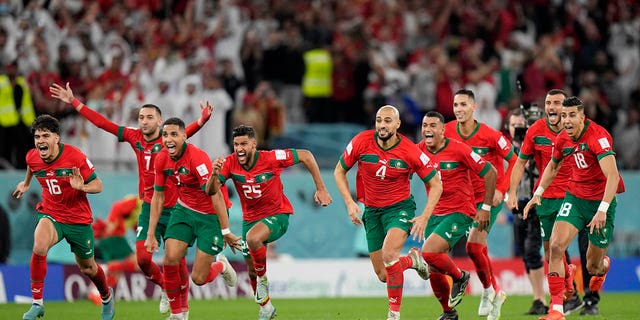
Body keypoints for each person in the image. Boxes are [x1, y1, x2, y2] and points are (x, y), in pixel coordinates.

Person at [49, 82, 212, 314]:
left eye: (149, 117)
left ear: (159, 121)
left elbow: (185, 134)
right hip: (149, 206)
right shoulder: (134, 137)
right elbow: (102, 123)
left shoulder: (168, 141)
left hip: (176, 208)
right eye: (141, 117)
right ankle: (167, 288)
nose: (143, 121)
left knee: (174, 260)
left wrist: (202, 121)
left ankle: (181, 311)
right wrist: (74, 102)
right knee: (144, 260)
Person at [207, 124, 333, 320]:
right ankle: (266, 308)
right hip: (251, 220)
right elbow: (211, 191)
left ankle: (263, 279)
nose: (239, 148)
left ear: (254, 144)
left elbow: (306, 155)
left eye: (244, 144)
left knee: (253, 240)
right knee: (250, 266)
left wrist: (321, 188)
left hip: (278, 215)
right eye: (236, 144)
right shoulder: (229, 163)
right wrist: (214, 174)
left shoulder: (271, 158)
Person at [334, 105, 443, 320]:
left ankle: (393, 314)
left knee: (389, 254)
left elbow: (436, 184)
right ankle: (412, 260)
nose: (382, 125)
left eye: (387, 121)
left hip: (399, 209)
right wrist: (349, 202)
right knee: (383, 274)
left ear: (397, 124)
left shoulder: (410, 150)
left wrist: (424, 216)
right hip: (372, 212)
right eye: (378, 120)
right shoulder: (360, 142)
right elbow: (339, 171)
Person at [524, 96, 625, 320]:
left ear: (582, 117)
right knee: (555, 247)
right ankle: (557, 310)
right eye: (564, 116)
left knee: (593, 266)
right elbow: (553, 165)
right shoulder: (562, 139)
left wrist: (602, 209)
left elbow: (613, 175)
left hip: (600, 203)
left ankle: (603, 265)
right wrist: (537, 194)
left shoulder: (597, 137)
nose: (566, 120)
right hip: (575, 199)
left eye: (571, 115)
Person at [12, 114, 115, 320]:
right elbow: (32, 167)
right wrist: (25, 183)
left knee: (88, 268)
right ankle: (37, 303)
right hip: (51, 213)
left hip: (78, 220)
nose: (40, 140)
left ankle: (106, 296)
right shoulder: (32, 156)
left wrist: (82, 186)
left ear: (57, 138)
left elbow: (98, 185)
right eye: (37, 136)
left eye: (46, 136)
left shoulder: (75, 156)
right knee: (39, 244)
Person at [145, 117, 238, 320]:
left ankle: (221, 265)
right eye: (165, 135)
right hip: (184, 210)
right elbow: (158, 196)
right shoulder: (161, 159)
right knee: (170, 259)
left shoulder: (197, 158)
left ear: (185, 136)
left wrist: (226, 231)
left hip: (210, 215)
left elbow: (216, 194)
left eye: (174, 134)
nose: (168, 139)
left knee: (198, 278)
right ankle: (178, 314)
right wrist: (151, 232)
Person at [506, 90, 586, 315]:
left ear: (567, 108)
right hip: (545, 199)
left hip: (572, 196)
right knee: (551, 253)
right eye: (549, 102)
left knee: (558, 248)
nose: (552, 106)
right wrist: (512, 192)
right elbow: (520, 163)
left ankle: (557, 306)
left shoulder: (578, 131)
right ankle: (567, 280)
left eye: (557, 103)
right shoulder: (536, 131)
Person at [416, 111, 497, 320]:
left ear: (443, 130)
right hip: (435, 213)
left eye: (433, 126)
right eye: (425, 125)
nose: (427, 130)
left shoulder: (459, 149)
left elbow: (490, 172)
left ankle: (460, 277)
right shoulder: (418, 151)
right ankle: (448, 312)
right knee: (434, 268)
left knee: (429, 252)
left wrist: (485, 207)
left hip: (460, 211)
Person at [444, 89, 516, 319]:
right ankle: (495, 291)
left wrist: (502, 191)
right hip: (461, 200)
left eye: (464, 104)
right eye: (456, 105)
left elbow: (515, 160)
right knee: (477, 249)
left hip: (487, 199)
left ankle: (488, 291)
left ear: (474, 107)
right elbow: (422, 151)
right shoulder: (445, 131)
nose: (459, 109)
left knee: (473, 246)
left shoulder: (490, 135)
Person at [504, 107, 547, 315]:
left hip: (537, 202)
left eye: (522, 126)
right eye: (514, 126)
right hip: (518, 205)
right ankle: (539, 297)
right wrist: (506, 198)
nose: (518, 129)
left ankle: (544, 297)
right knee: (525, 252)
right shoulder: (505, 151)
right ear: (508, 128)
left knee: (533, 249)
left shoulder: (536, 146)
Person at [88, 195, 143, 305]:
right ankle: (105, 268)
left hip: (115, 236)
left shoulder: (143, 208)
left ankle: (96, 293)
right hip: (115, 236)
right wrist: (112, 221)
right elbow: (117, 206)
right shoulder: (137, 202)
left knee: (118, 272)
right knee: (138, 263)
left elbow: (134, 225)